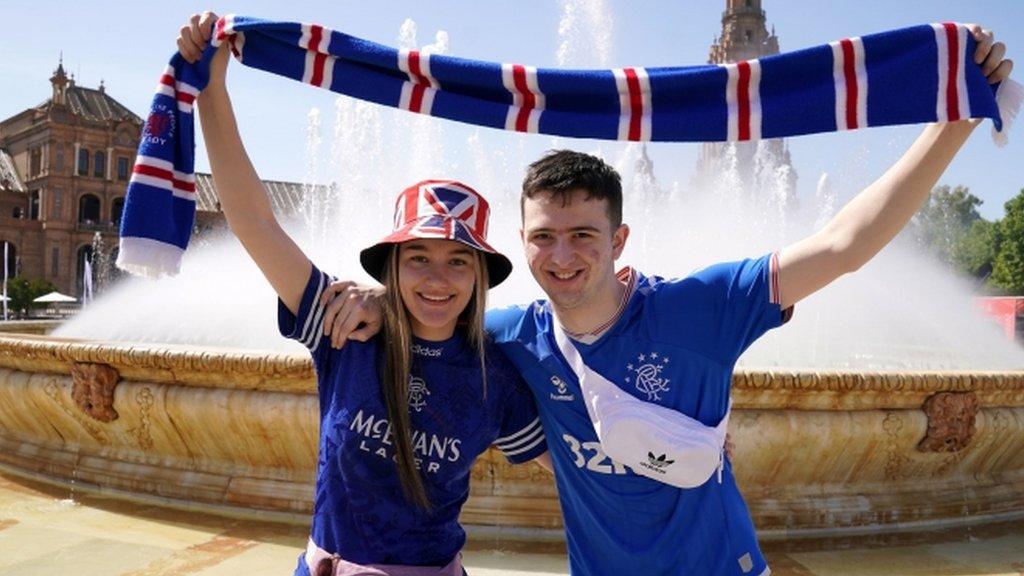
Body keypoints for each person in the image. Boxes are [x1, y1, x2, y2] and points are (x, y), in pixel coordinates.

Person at [319, 25, 1014, 576]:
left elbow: (845, 243)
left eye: (583, 235)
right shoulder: (512, 335)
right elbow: (437, 314)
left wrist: (953, 119)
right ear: (522, 244)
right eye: (544, 237)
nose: (562, 257)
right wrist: (381, 307)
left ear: (620, 238)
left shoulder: (701, 306)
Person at [177, 12, 549, 576]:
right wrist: (211, 88)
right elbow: (253, 221)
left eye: (457, 262)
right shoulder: (345, 327)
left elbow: (572, 464)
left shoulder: (494, 376)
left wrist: (677, 453)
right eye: (418, 258)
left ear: (479, 277)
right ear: (392, 268)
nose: (436, 279)